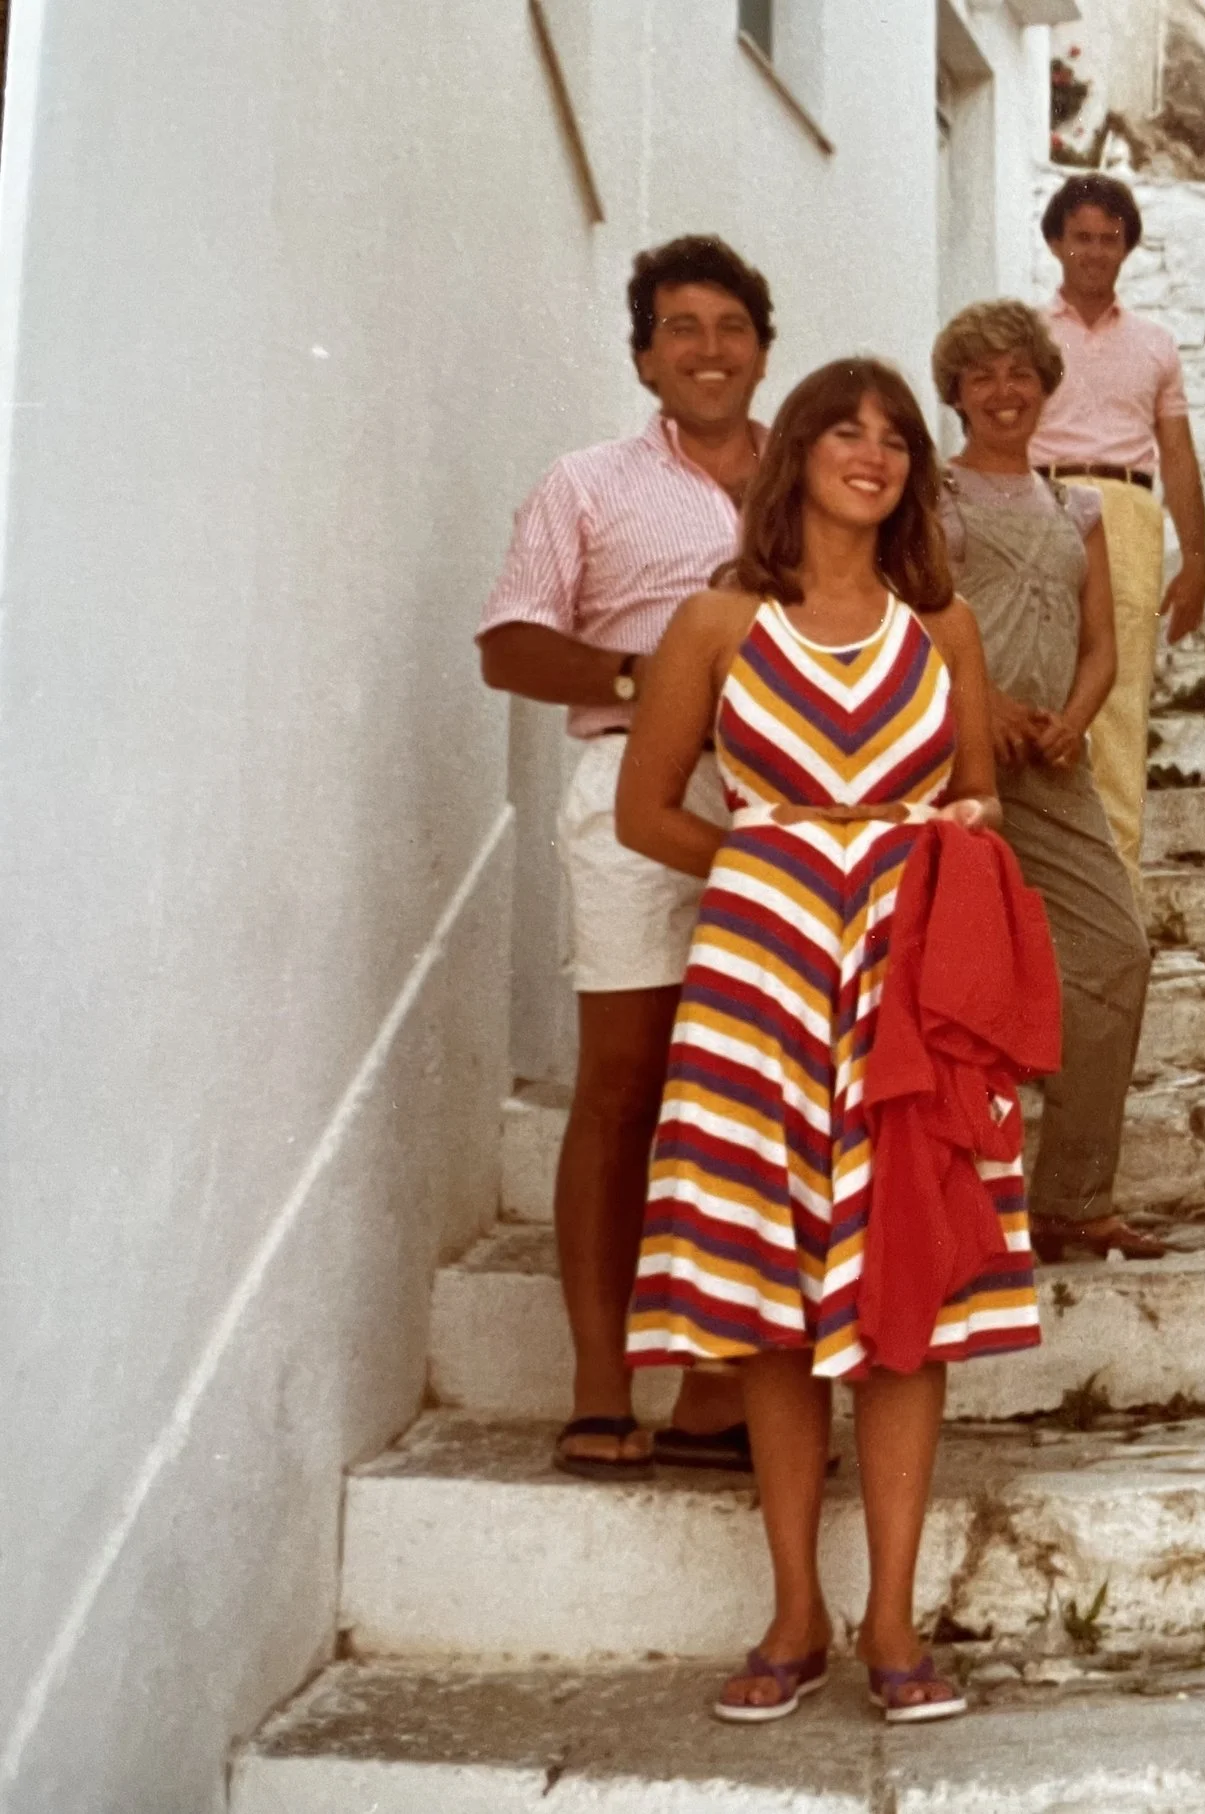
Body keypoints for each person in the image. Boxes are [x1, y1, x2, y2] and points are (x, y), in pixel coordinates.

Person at [617, 359, 1047, 1725]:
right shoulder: (718, 624)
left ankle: (892, 1615)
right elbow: (646, 811)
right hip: (762, 985)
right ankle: (795, 1604)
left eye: (895, 439)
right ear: (794, 451)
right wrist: (776, 864)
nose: (871, 453)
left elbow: (979, 794)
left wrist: (918, 859)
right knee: (770, 1296)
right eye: (844, 431)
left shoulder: (948, 627)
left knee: (904, 1293)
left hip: (909, 993)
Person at [475, 235, 774, 1480]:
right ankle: (603, 1379)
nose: (707, 348)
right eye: (679, 327)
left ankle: (715, 1382)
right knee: (625, 1082)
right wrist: (646, 674)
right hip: (634, 793)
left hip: (786, 799)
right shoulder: (585, 483)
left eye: (729, 325)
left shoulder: (813, 475)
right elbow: (508, 646)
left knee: (757, 1090)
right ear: (644, 352)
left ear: (763, 342)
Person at [931, 300, 1164, 1263]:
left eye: (1019, 373)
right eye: (981, 375)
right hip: (951, 770)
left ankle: (1073, 1194)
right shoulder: (929, 501)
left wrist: (1072, 716)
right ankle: (944, 1206)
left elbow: (1104, 644)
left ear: (1044, 385)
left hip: (1053, 768)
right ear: (955, 392)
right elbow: (914, 621)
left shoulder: (1079, 508)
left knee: (1116, 951)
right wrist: (980, 707)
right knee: (949, 987)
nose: (1003, 391)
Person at [1029, 173, 1205, 894]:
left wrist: (1195, 559)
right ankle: (1044, 884)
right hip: (1042, 499)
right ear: (1056, 243)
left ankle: (1120, 890)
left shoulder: (1156, 344)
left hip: (1129, 510)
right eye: (1082, 238)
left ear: (1127, 248)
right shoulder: (1026, 335)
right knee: (1040, 676)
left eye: (1110, 239)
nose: (1096, 253)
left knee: (1121, 693)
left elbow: (1178, 454)